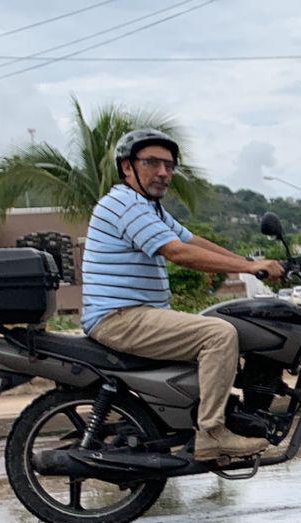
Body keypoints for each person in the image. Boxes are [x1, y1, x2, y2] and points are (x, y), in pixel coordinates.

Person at [81, 128, 284, 462]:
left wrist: (249, 262)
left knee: (216, 327)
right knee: (219, 334)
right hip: (120, 318)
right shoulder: (124, 204)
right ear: (127, 167)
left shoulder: (150, 209)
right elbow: (178, 253)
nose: (163, 172)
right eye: (152, 163)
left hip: (134, 315)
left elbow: (192, 241)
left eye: (169, 166)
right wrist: (248, 269)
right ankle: (212, 434)